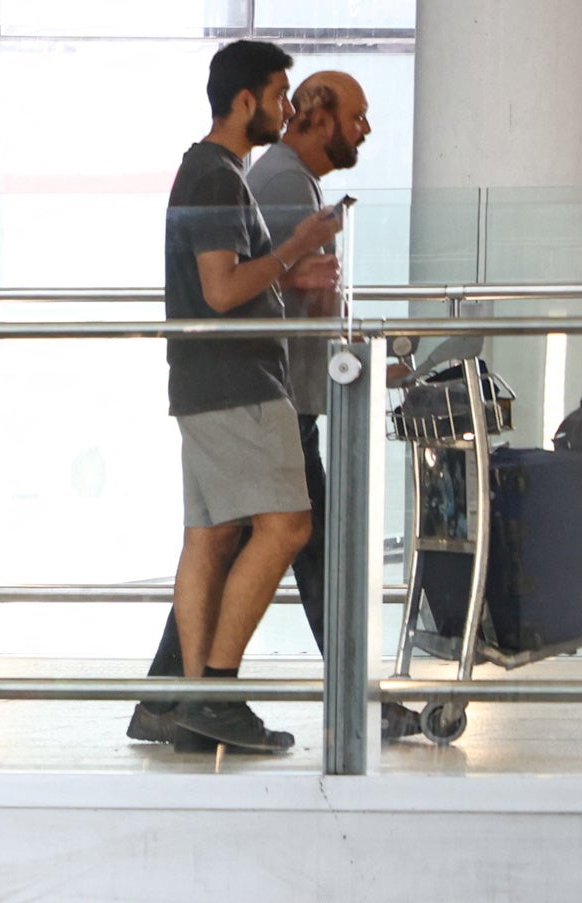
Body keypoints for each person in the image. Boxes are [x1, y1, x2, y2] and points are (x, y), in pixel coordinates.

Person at [136, 65, 379, 743]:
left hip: (234, 384)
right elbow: (224, 287)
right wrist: (296, 253)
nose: (287, 105)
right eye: (279, 95)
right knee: (292, 532)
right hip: (244, 387)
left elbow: (243, 276)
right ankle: (208, 696)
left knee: (218, 537)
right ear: (251, 100)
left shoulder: (232, 174)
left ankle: (178, 701)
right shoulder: (239, 179)